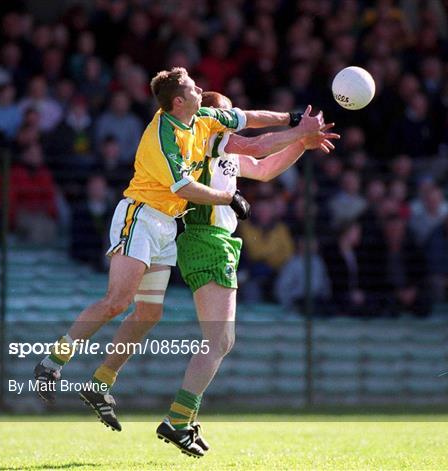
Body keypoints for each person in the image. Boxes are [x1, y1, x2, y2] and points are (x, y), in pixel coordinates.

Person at [32, 68, 325, 454]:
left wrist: (298, 133)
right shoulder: (192, 139)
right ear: (188, 107)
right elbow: (252, 148)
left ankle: (101, 382)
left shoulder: (208, 135)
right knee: (126, 304)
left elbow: (263, 160)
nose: (222, 116)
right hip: (149, 217)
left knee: (149, 315)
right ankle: (53, 363)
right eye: (213, 108)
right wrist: (297, 134)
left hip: (169, 229)